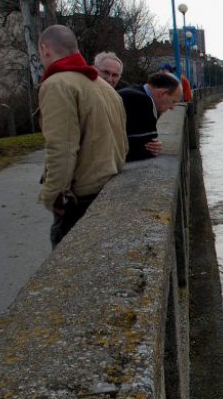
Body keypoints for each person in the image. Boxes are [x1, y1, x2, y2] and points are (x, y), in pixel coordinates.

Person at [37, 25, 127, 247]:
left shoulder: (57, 84)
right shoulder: (104, 87)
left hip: (80, 197)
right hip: (108, 186)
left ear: (45, 49)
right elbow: (122, 144)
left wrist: (52, 196)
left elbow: (61, 149)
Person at [118, 71, 182, 162]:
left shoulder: (132, 91)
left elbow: (148, 142)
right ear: (163, 93)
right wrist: (150, 147)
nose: (172, 107)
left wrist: (152, 144)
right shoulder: (143, 101)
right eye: (173, 101)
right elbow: (145, 150)